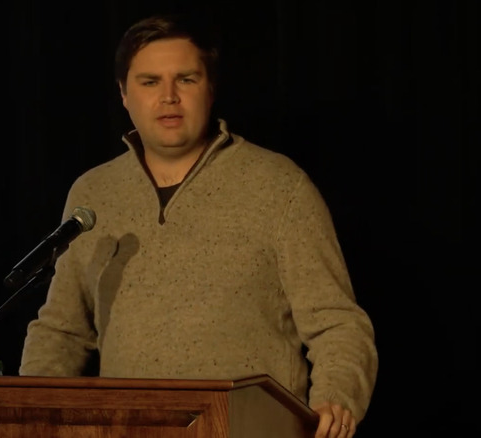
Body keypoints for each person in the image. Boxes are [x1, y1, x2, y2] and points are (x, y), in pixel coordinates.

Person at [19, 13, 378, 438]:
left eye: (186, 79)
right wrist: (27, 413)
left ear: (210, 89)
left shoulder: (280, 187)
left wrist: (336, 396)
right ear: (123, 93)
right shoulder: (93, 193)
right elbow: (62, 330)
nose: (168, 97)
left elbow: (336, 322)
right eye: (150, 82)